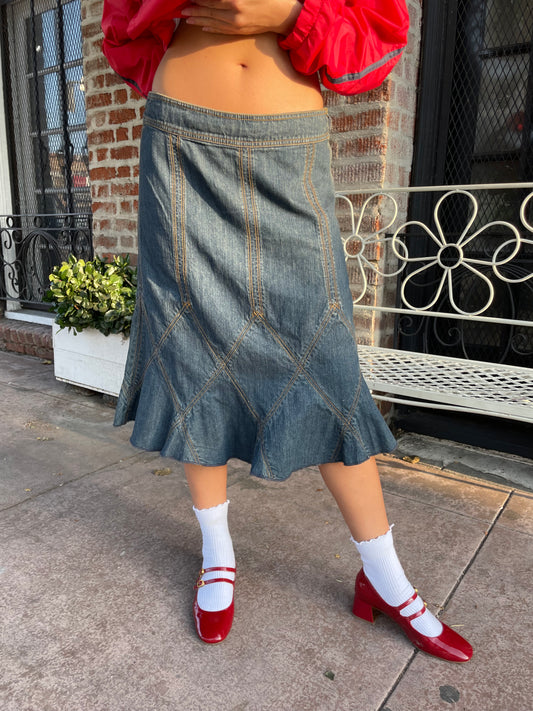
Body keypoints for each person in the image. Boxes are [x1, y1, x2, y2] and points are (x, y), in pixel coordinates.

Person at [101, 0, 473, 662]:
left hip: (289, 146)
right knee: (194, 354)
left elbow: (378, 36)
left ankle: (384, 577)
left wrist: (288, 13)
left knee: (325, 369)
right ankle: (217, 555)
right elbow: (121, 31)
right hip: (182, 145)